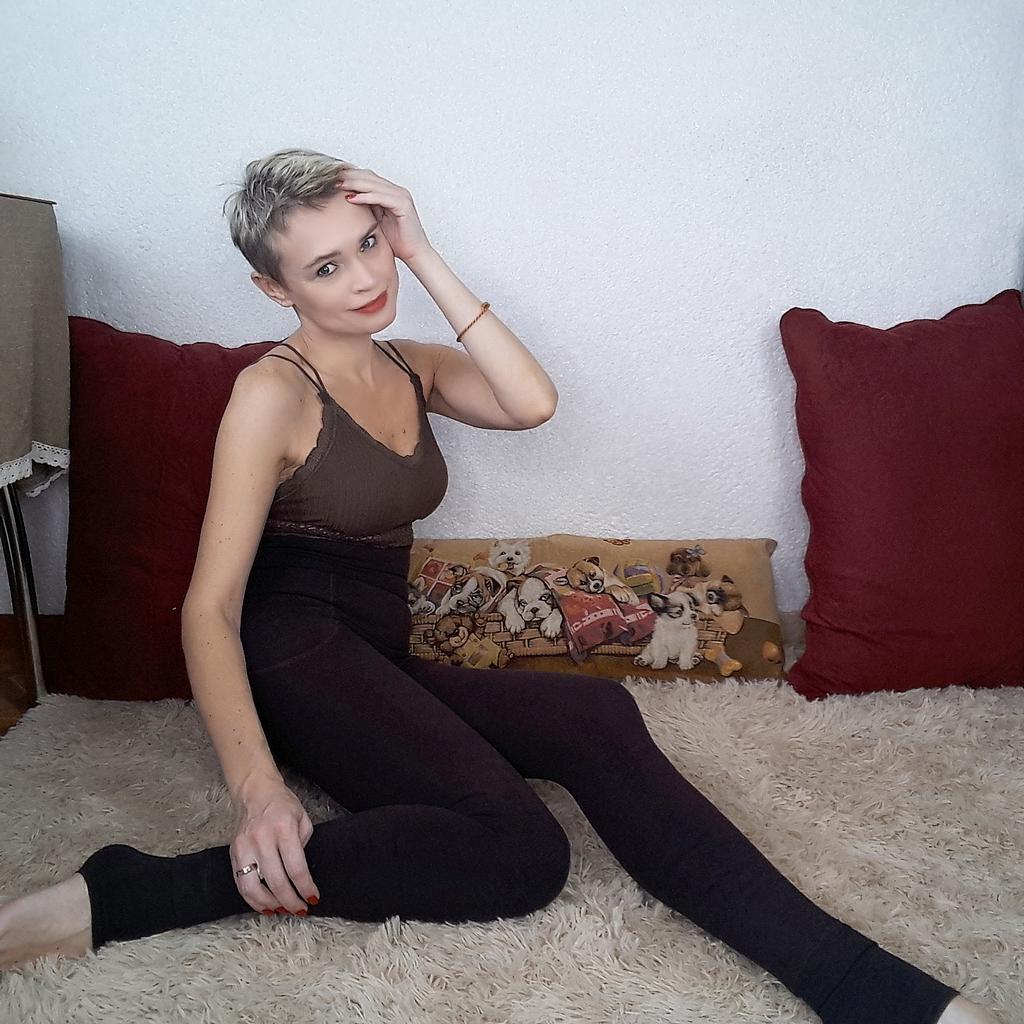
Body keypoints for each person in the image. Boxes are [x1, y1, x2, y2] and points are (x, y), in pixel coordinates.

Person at [0, 148, 1001, 1024]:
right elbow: (210, 608)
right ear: (275, 290)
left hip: (378, 647)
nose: (364, 277)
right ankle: (138, 891)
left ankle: (858, 983)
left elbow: (532, 402)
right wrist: (257, 788)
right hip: (294, 652)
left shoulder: (414, 366)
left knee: (596, 715)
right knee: (518, 853)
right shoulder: (270, 393)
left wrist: (426, 252)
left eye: (369, 244)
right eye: (325, 266)